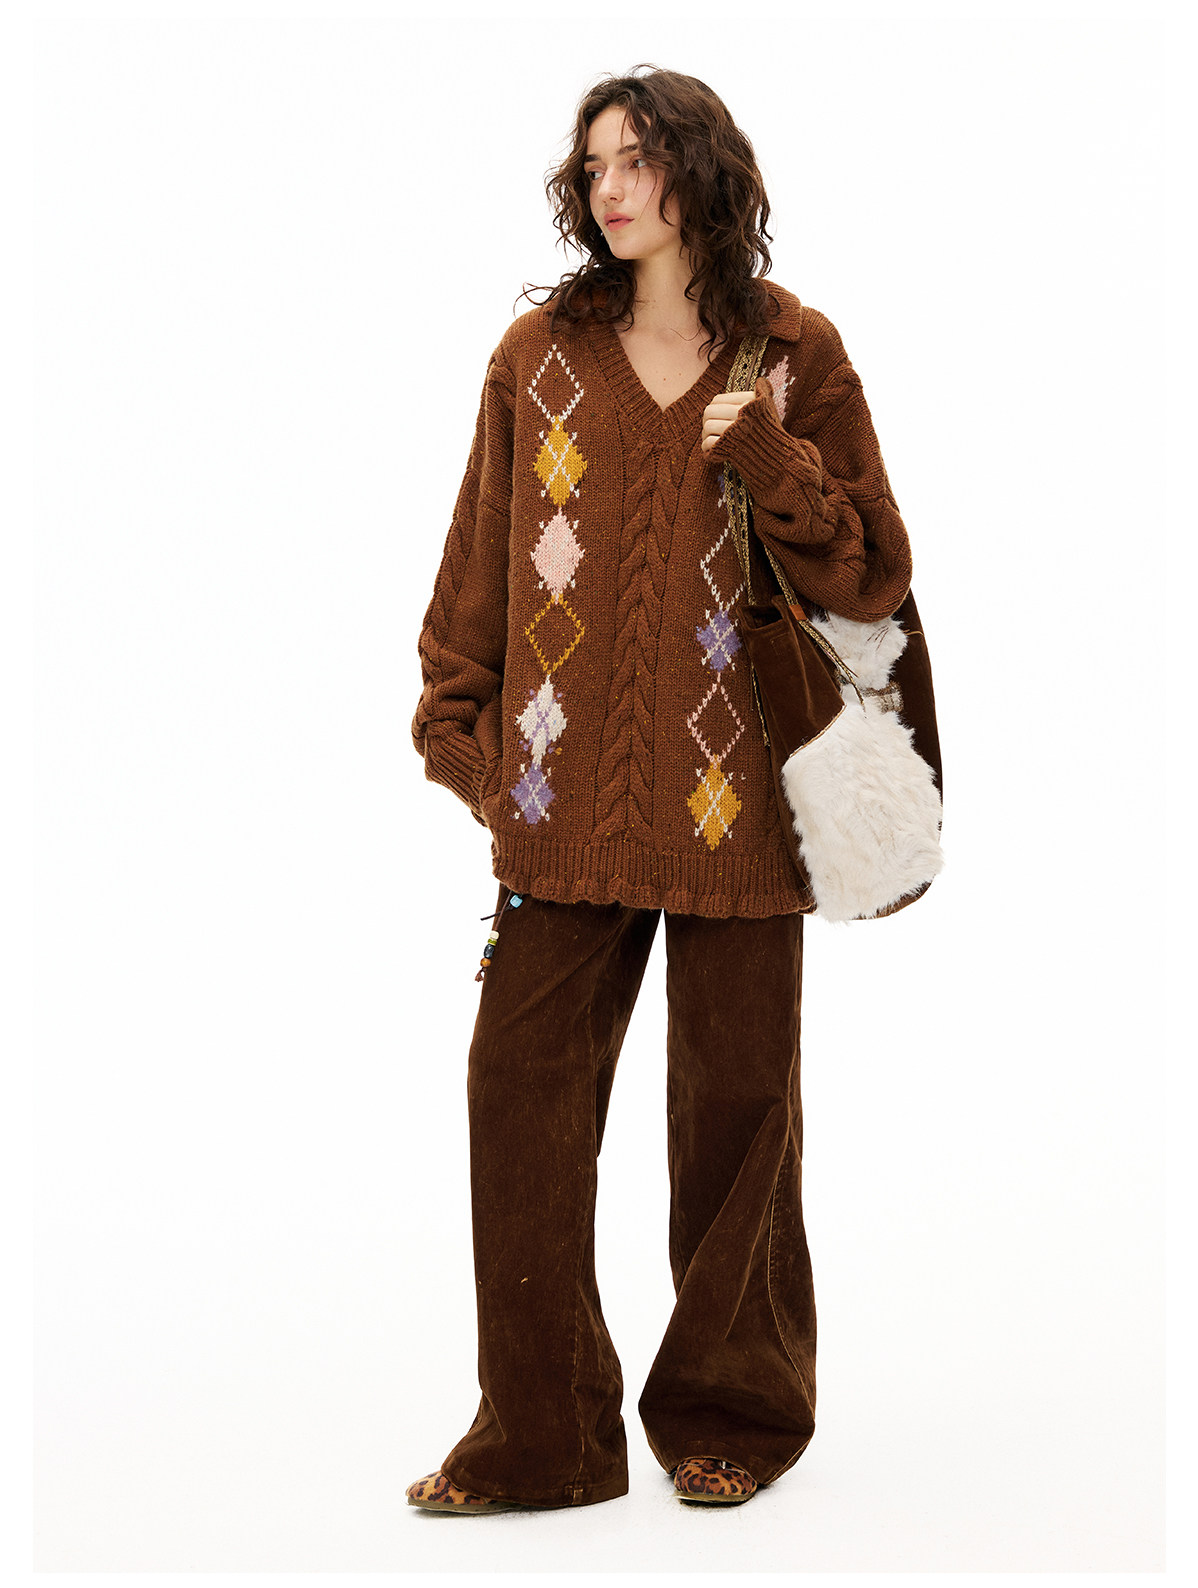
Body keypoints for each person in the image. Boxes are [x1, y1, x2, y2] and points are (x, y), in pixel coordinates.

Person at [406, 64, 914, 1513]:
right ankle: (544, 1434)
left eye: (638, 160)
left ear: (702, 171)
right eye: (594, 166)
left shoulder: (795, 353)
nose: (612, 188)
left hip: (744, 807)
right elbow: (475, 576)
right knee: (517, 1093)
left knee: (740, 1110)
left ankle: (731, 1416)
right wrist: (468, 744)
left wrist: (763, 450)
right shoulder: (540, 357)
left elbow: (874, 571)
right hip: (559, 816)